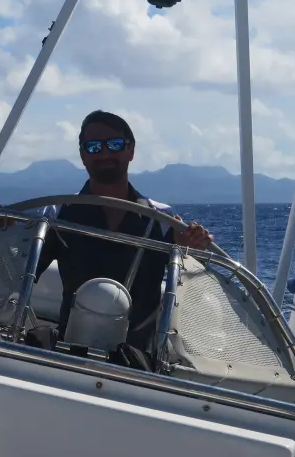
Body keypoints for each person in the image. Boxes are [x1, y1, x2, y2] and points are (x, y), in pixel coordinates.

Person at [34, 110, 213, 353]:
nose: (105, 153)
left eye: (115, 144)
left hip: (137, 364)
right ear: (82, 155)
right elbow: (18, 270)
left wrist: (193, 247)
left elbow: (196, 286)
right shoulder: (58, 214)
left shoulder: (161, 220)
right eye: (94, 147)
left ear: (131, 151)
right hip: (70, 356)